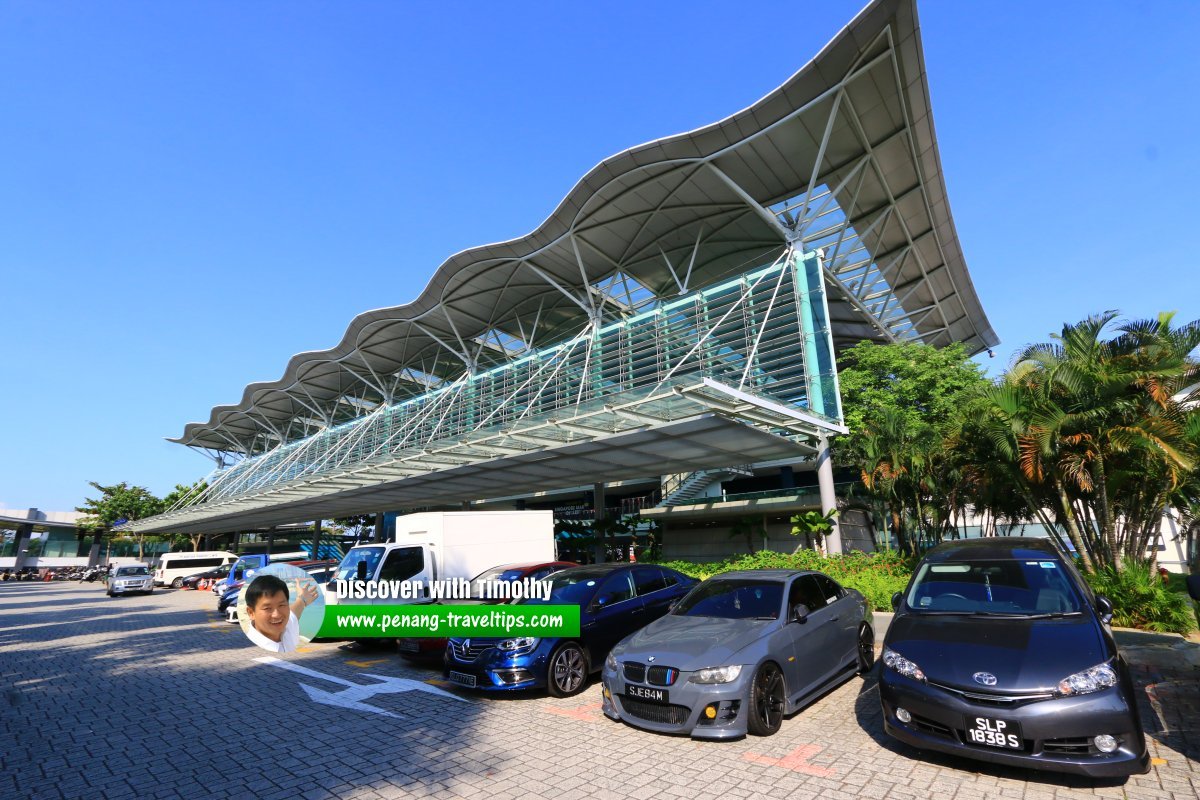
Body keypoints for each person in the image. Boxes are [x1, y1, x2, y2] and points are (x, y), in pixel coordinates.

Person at [242, 574, 319, 653]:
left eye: (281, 605)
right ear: (251, 613)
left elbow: (294, 611)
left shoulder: (287, 626)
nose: (277, 615)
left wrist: (302, 599)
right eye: (267, 608)